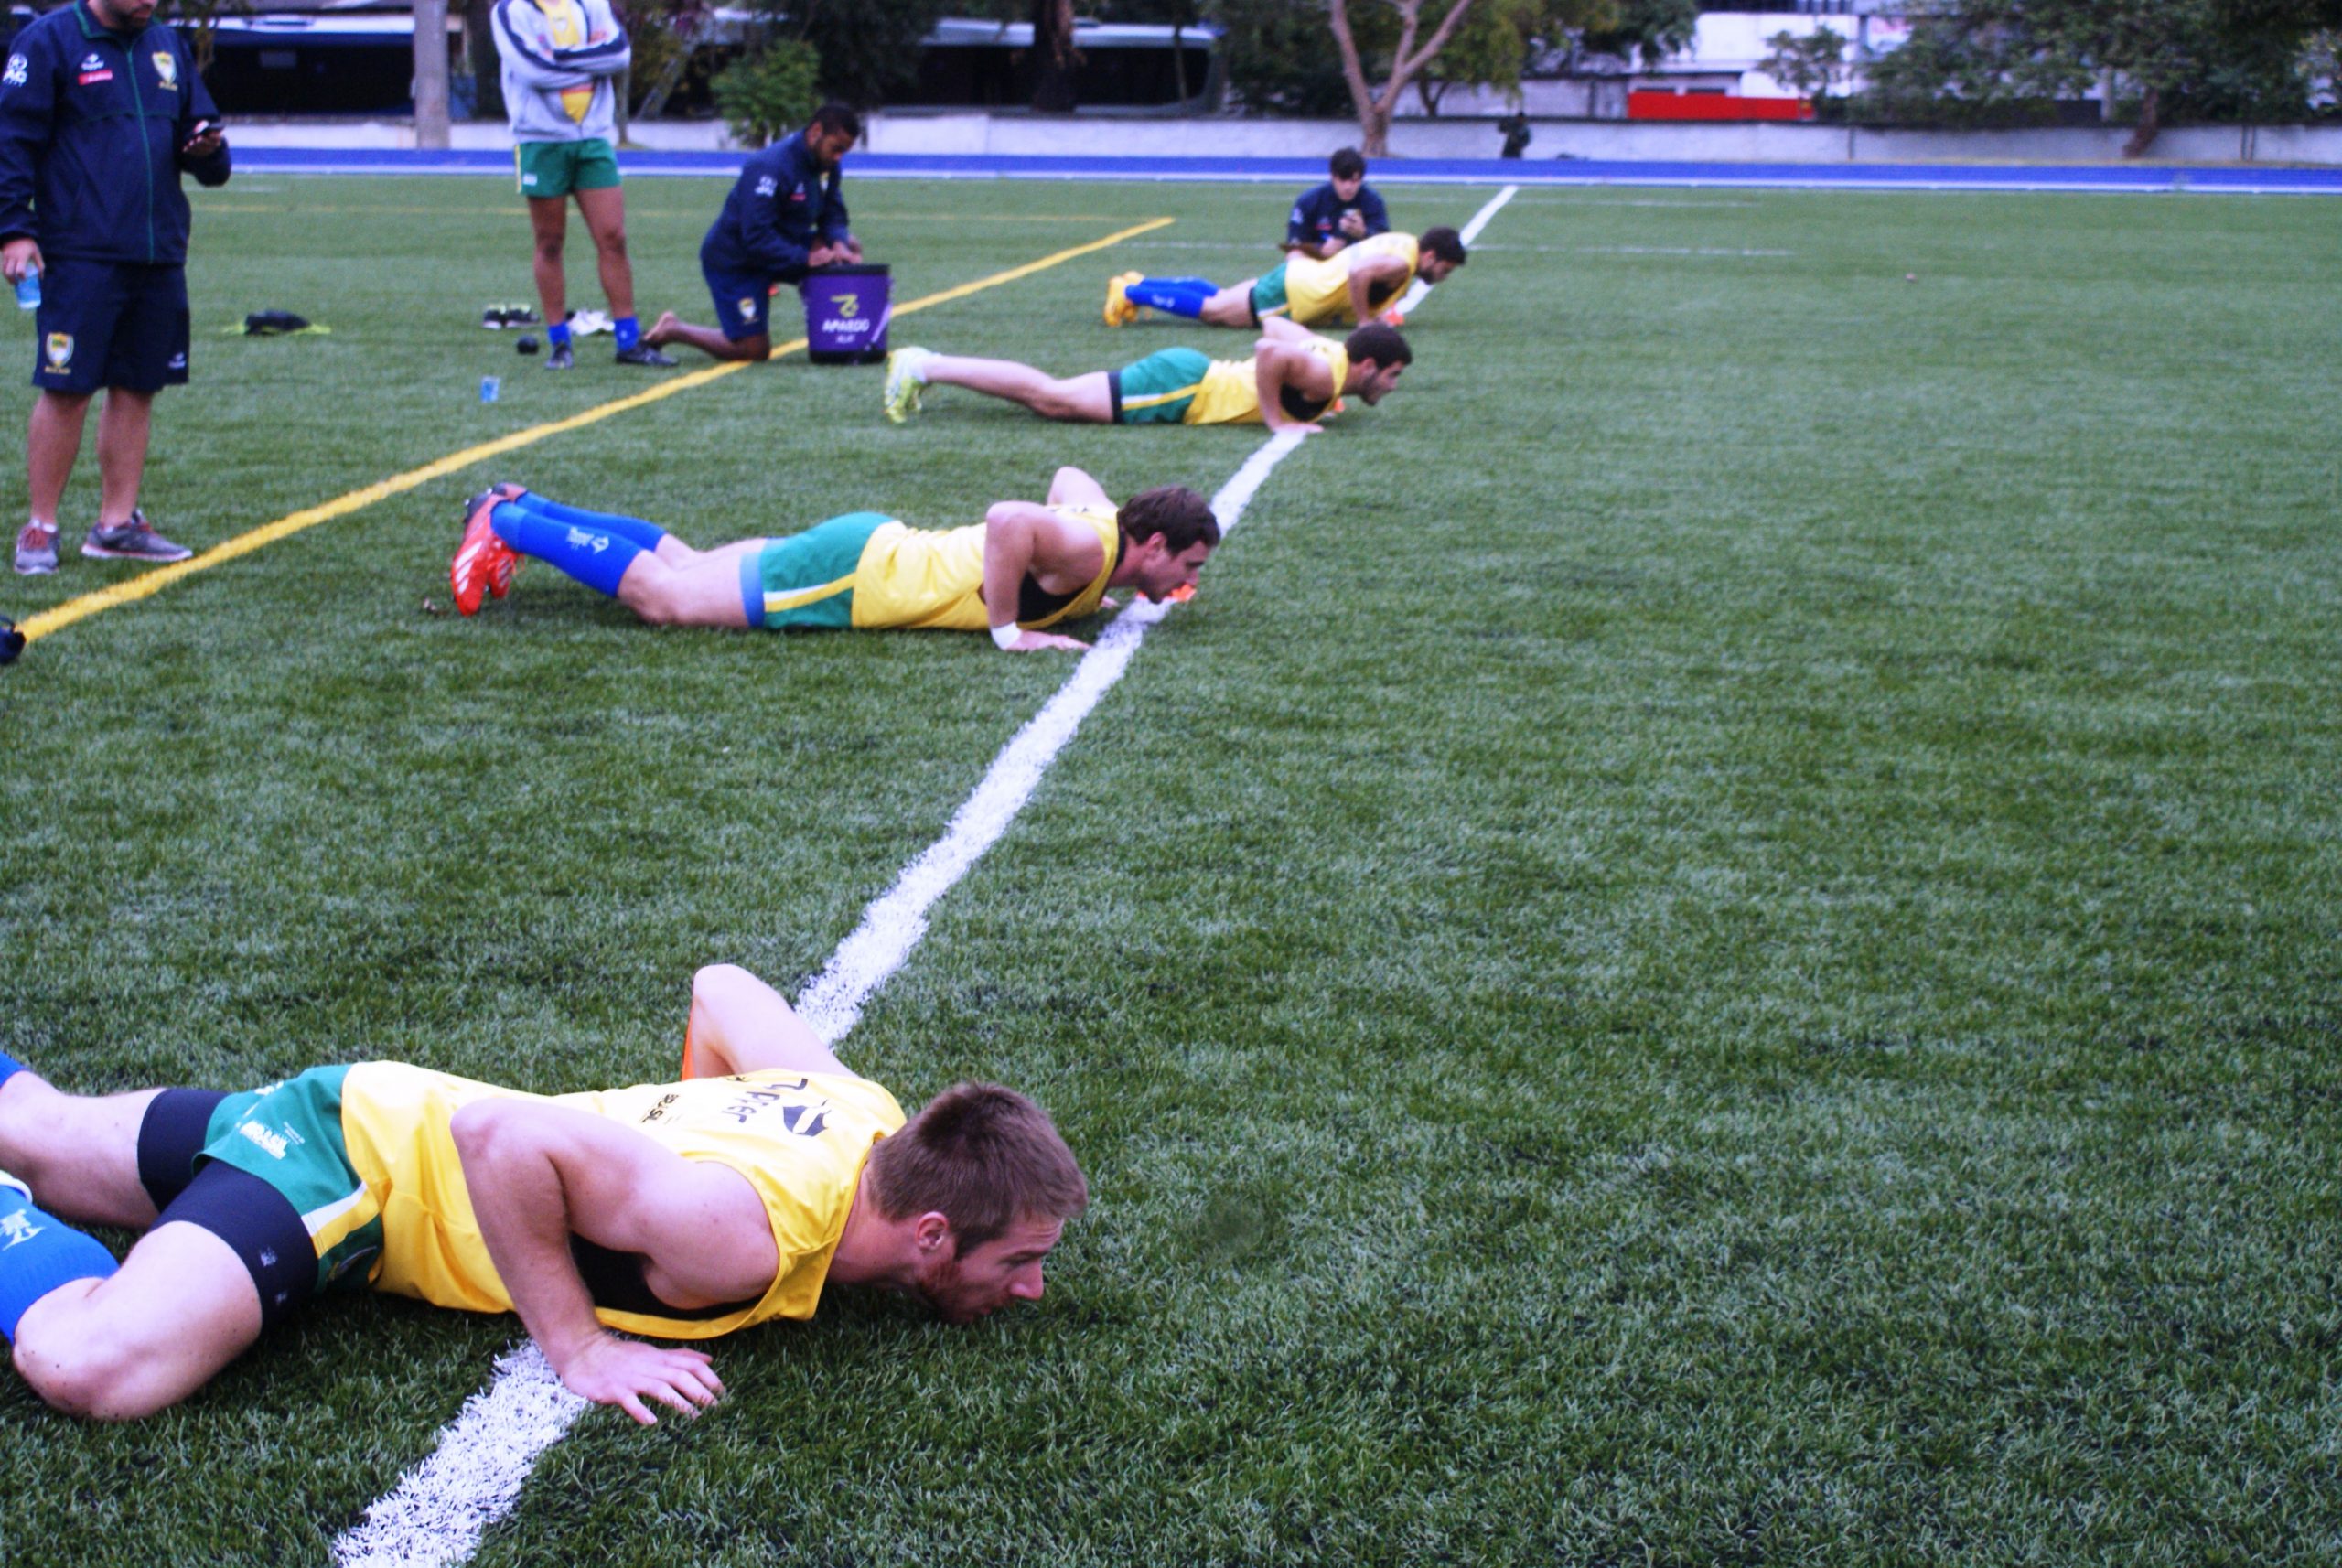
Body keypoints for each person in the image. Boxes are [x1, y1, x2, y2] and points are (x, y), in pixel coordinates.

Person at [0, 962, 1088, 1423]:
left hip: (369, 1100)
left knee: (41, 1133)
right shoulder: (738, 1237)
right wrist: (580, 1348)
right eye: (1017, 1261)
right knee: (88, 1365)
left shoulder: (863, 1113)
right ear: (933, 1231)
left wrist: (671, 1138)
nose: (1032, 1287)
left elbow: (723, 989)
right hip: (348, 1177)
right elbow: (499, 1135)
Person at [447, 465, 1218, 650]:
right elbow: (1008, 518)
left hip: (869, 545)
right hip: (857, 576)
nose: (1186, 583)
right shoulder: (1090, 546)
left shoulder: (1102, 536)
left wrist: (1100, 592)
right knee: (666, 599)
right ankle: (507, 520)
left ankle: (530, 505)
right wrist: (1010, 632)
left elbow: (1068, 480)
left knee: (686, 559)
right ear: (1153, 544)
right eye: (1187, 566)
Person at [0, 0, 231, 575]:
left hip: (157, 251)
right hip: (79, 251)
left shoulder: (168, 46)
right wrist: (13, 229)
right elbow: (10, 143)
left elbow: (207, 154)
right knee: (67, 387)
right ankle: (40, 527)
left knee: (138, 385)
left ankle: (116, 523)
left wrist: (207, 148)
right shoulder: (47, 42)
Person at [490, 0, 675, 370]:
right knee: (550, 242)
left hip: (592, 137)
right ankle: (560, 343)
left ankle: (628, 342)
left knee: (613, 237)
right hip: (540, 141)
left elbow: (619, 55)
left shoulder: (592, 3)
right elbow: (532, 70)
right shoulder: (509, 10)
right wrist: (589, 61)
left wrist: (559, 57)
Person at [883, 318, 1413, 438]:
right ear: (1366, 366)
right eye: (1390, 376)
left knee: (1052, 397)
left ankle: (928, 363)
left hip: (1186, 376)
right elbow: (1268, 346)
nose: (1392, 386)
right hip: (1182, 388)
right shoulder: (1324, 374)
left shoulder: (1332, 363)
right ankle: (924, 365)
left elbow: (1278, 323)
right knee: (1051, 400)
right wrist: (1276, 420)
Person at [647, 103, 864, 363]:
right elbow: (756, 237)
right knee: (754, 351)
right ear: (816, 131)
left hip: (781, 247)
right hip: (738, 261)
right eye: (836, 148)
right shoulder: (769, 167)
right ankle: (675, 329)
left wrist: (838, 243)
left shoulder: (826, 164)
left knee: (848, 248)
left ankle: (834, 338)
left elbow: (833, 213)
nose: (839, 157)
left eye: (845, 151)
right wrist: (806, 258)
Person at [1104, 226, 1466, 335]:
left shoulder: (1402, 241)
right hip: (1297, 294)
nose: (1442, 278)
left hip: (1301, 280)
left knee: (1222, 295)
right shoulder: (1402, 265)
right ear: (1431, 256)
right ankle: (1131, 292)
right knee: (1214, 311)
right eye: (1444, 270)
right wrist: (1366, 322)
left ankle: (1144, 282)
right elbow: (1359, 273)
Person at [1284, 147, 1388, 261]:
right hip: (1319, 264)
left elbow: (1386, 244)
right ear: (1332, 177)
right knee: (1294, 256)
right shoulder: (1309, 201)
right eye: (1342, 180)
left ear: (1362, 179)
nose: (1348, 187)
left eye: (1354, 180)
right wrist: (1320, 249)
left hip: (1360, 264)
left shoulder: (1372, 201)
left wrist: (1363, 232)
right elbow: (1295, 244)